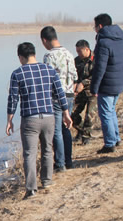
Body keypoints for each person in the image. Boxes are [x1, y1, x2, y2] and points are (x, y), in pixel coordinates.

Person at [6, 42, 72, 199]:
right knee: (47, 149)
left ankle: (31, 189)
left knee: (29, 154)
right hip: (49, 117)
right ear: (34, 54)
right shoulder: (49, 69)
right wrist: (66, 113)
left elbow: (13, 99)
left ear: (21, 57)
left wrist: (9, 119)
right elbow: (60, 93)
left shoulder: (17, 74)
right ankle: (47, 181)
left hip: (30, 119)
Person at [41, 26, 78, 171]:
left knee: (56, 131)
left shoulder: (49, 56)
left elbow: (46, 79)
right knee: (66, 128)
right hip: (70, 95)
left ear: (45, 40)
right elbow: (75, 76)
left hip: (56, 97)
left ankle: (60, 163)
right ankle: (68, 161)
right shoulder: (68, 53)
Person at [90, 13, 123, 154]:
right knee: (111, 111)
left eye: (95, 26)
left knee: (105, 114)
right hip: (118, 82)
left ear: (100, 26)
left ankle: (110, 143)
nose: (95, 29)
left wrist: (94, 87)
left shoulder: (104, 42)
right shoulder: (121, 40)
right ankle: (116, 138)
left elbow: (100, 67)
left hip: (107, 84)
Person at [72, 39, 97, 145]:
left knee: (89, 115)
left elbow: (97, 75)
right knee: (71, 113)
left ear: (87, 49)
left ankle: (86, 136)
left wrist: (83, 83)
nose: (78, 54)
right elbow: (73, 75)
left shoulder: (97, 59)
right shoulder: (77, 61)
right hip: (80, 92)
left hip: (93, 91)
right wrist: (74, 85)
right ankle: (82, 131)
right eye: (77, 51)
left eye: (79, 51)